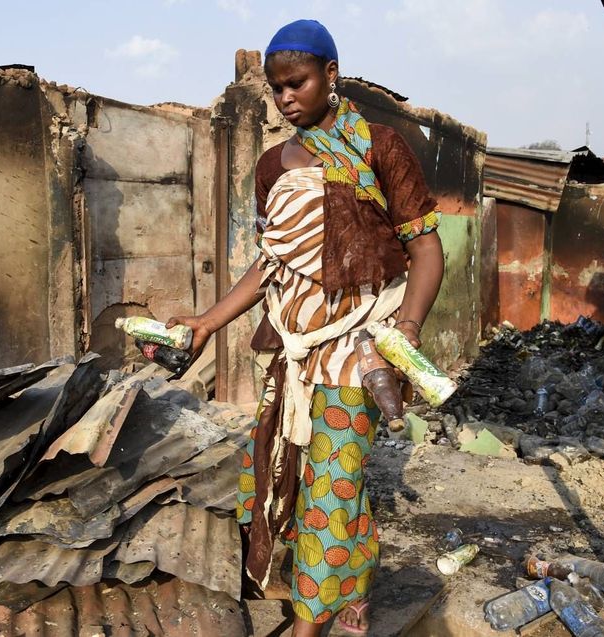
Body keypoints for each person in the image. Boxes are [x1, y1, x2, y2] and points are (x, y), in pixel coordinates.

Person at [168, 19, 445, 636]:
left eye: (296, 83)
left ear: (331, 76)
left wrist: (407, 329)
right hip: (293, 356)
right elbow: (271, 262)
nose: (286, 97)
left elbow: (427, 250)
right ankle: (353, 590)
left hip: (360, 349)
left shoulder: (380, 147)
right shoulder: (271, 165)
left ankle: (306, 625)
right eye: (276, 88)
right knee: (286, 479)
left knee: (331, 489)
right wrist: (209, 322)